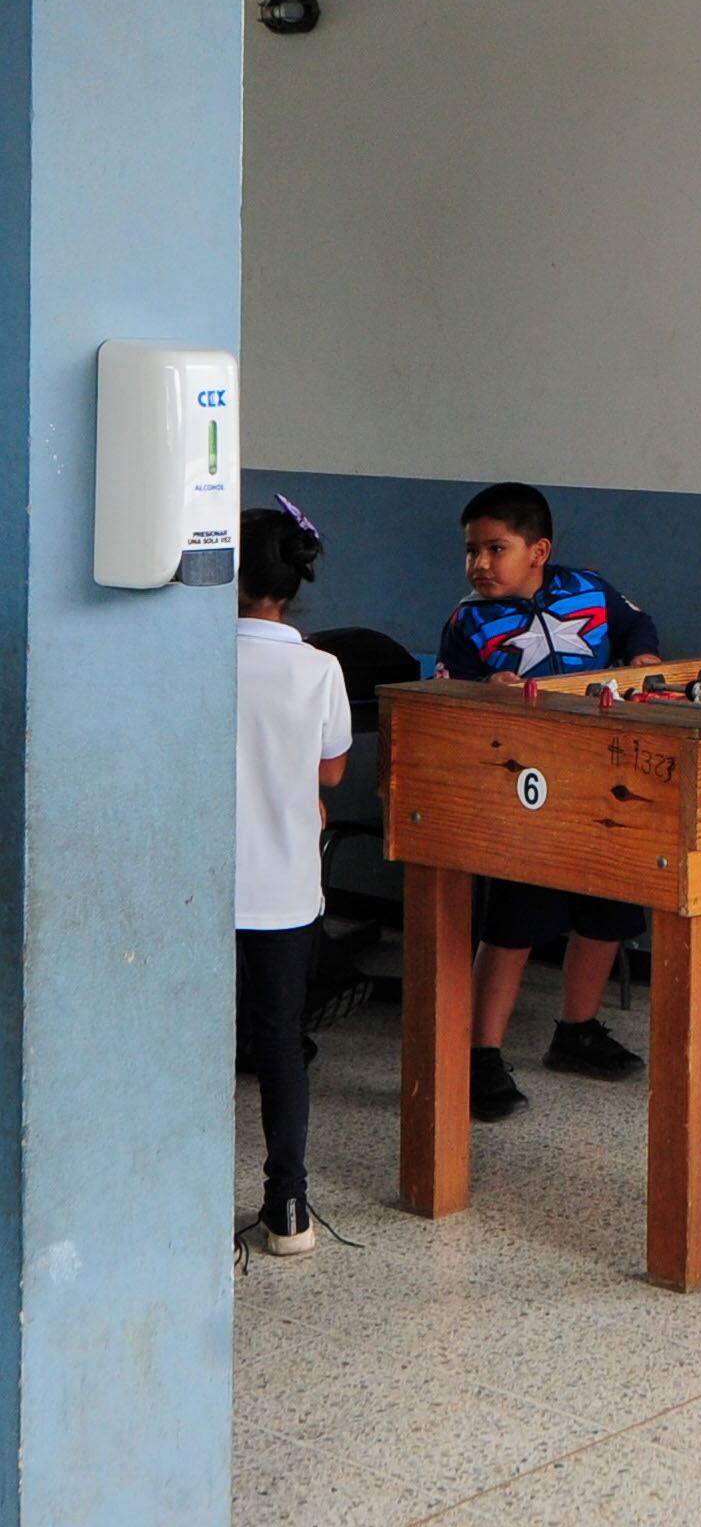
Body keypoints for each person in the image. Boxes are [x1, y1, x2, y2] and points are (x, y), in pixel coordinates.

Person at [437, 482, 663, 1119]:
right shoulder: (468, 621)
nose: (479, 564)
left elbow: (634, 623)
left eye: (495, 548)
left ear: (539, 550)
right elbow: (447, 695)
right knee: (513, 923)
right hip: (522, 792)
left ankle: (577, 1030)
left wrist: (642, 655)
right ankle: (480, 1055)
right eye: (471, 551)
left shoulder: (587, 589)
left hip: (599, 783)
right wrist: (488, 689)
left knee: (607, 913)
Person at [235, 500, 354, 1258]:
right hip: (282, 890)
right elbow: (333, 770)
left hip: (196, 889)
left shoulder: (193, 659)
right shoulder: (319, 669)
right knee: (280, 1044)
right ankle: (288, 1206)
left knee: (187, 1041)